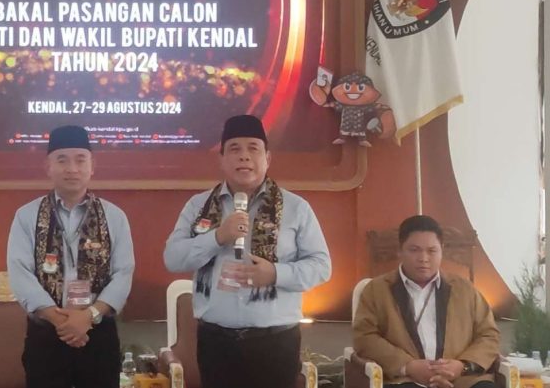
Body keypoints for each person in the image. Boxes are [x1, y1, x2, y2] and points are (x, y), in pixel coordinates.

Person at [164, 114, 332, 388]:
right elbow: (173, 258)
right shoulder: (198, 206)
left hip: (275, 344)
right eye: (234, 149)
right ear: (221, 159)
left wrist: (275, 274)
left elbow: (321, 266)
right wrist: (218, 236)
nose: (244, 156)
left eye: (253, 148)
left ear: (268, 158)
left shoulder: (296, 208)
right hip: (216, 343)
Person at [7, 125, 135, 388]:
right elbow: (20, 272)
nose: (72, 169)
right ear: (48, 167)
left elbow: (123, 273)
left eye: (80, 160)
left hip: (98, 334)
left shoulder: (114, 216)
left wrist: (88, 316)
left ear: (92, 166)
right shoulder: (27, 216)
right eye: (62, 160)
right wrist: (61, 321)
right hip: (46, 334)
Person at [353, 215, 500, 388]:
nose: (423, 258)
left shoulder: (465, 290)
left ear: (441, 250)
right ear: (400, 250)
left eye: (432, 251)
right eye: (414, 250)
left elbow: (489, 335)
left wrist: (462, 366)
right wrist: (408, 366)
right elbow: (365, 337)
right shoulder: (376, 290)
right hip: (404, 379)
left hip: (460, 380)